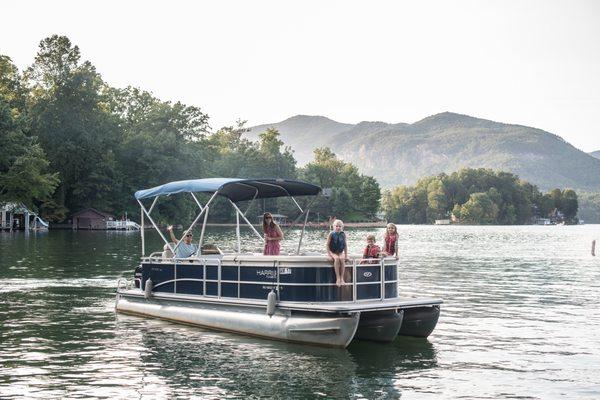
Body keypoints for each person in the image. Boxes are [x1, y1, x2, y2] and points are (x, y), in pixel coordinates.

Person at [327, 219, 348, 287]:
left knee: (342, 259)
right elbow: (327, 245)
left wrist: (346, 255)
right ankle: (338, 278)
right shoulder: (331, 234)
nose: (338, 227)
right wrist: (329, 255)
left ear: (342, 227)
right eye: (337, 226)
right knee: (336, 259)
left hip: (340, 252)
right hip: (332, 251)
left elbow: (345, 245)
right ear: (334, 226)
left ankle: (342, 278)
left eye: (340, 226)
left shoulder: (343, 234)